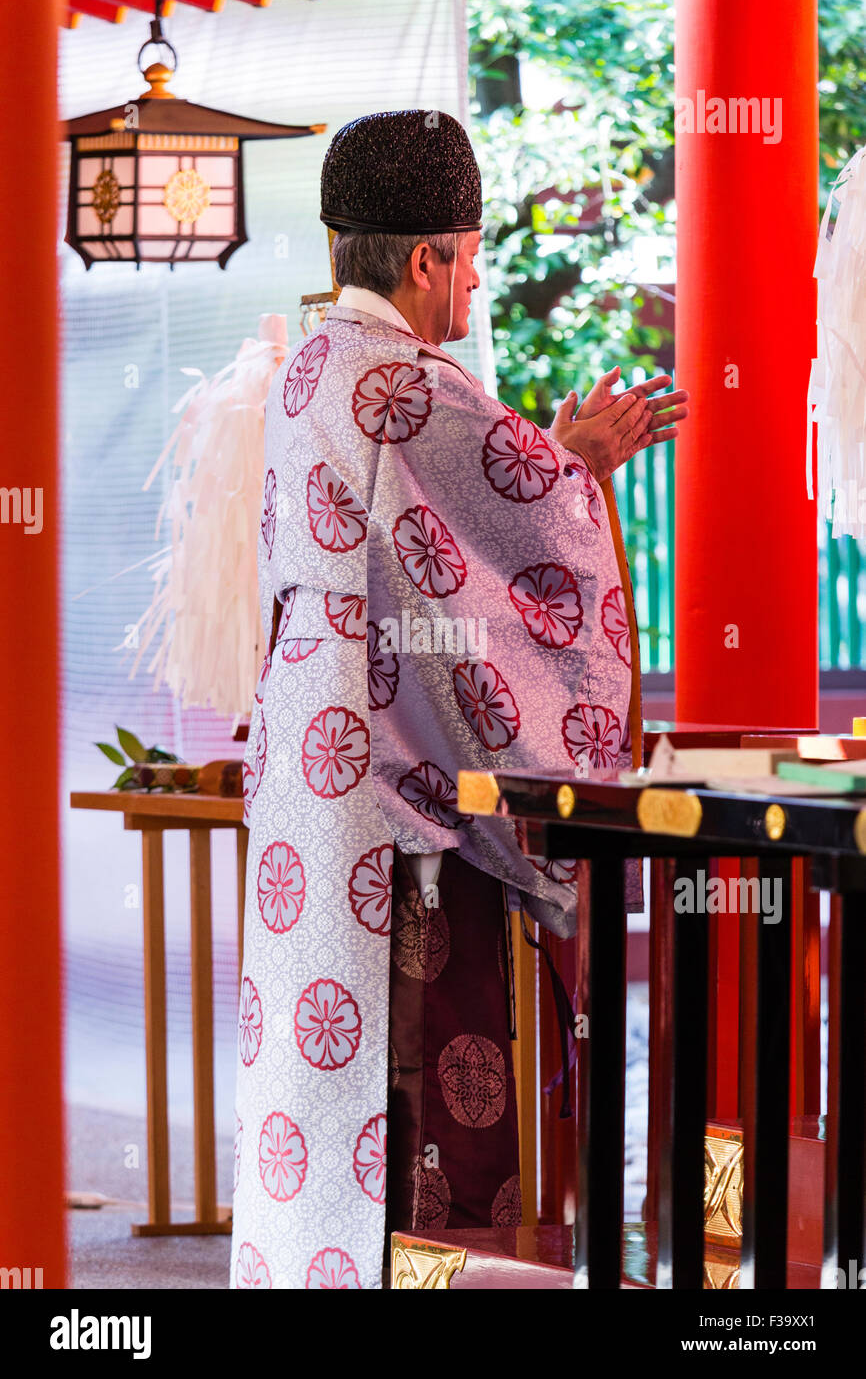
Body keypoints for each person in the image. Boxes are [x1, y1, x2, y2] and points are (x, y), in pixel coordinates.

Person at [230, 109, 688, 1290]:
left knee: (316, 1082)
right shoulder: (403, 383)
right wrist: (579, 455)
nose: (475, 276)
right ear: (425, 256)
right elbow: (532, 530)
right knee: (424, 1081)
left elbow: (422, 557)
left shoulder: (307, 371)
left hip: (307, 770)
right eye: (471, 251)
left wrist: (557, 455)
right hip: (396, 801)